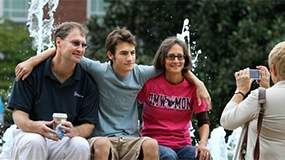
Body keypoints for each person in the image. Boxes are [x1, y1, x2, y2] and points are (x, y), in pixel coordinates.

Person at [15, 27, 211, 160]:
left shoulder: (142, 73)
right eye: (124, 53)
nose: (130, 58)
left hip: (131, 139)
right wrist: (32, 61)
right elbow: (65, 51)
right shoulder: (99, 70)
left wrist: (198, 82)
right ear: (111, 55)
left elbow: (175, 66)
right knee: (101, 145)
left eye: (132, 53)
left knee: (151, 145)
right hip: (103, 138)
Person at [0, 22, 99, 160]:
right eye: (75, 43)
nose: (80, 49)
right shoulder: (30, 73)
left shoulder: (87, 82)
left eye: (83, 45)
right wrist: (35, 126)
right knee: (35, 141)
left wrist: (74, 130)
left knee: (80, 144)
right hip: (29, 135)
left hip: (62, 139)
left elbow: (89, 125)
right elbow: (19, 116)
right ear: (59, 42)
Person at [137, 37, 212, 160]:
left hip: (182, 146)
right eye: (171, 56)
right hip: (154, 144)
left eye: (180, 56)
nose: (176, 61)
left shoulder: (194, 88)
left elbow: (203, 121)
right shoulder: (150, 83)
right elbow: (130, 103)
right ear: (163, 59)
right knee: (169, 156)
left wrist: (202, 144)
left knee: (203, 157)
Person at [220, 41, 285, 159]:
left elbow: (227, 121)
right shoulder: (263, 97)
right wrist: (265, 89)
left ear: (273, 69)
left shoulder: (260, 98)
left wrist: (240, 91)